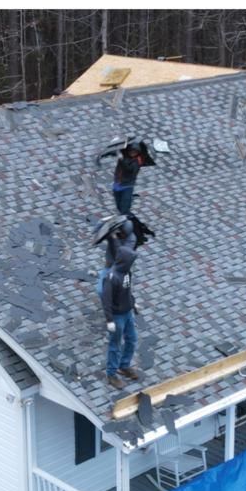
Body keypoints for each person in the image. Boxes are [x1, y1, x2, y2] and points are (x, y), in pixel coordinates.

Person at [100, 245, 140, 388]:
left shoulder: (127, 273)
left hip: (127, 313)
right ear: (124, 261)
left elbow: (127, 291)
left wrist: (133, 304)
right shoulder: (111, 278)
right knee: (115, 345)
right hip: (117, 316)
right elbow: (106, 300)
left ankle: (124, 365)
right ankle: (111, 374)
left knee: (132, 339)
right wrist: (109, 320)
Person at [112, 144, 144, 214]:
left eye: (135, 152)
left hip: (127, 185)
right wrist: (117, 152)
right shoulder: (125, 155)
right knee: (118, 204)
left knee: (125, 207)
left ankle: (127, 217)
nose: (132, 153)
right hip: (118, 183)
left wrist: (121, 159)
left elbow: (129, 169)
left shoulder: (138, 161)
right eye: (131, 151)